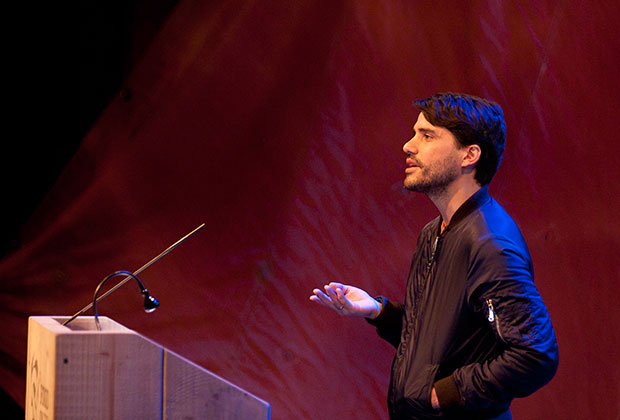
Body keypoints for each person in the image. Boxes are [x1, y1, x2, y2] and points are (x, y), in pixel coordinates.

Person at [310, 93, 559, 420]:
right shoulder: (434, 233)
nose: (409, 146)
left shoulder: (490, 245)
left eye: (427, 136)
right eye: (415, 133)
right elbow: (440, 344)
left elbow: (535, 355)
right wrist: (378, 311)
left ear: (469, 155)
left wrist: (444, 395)